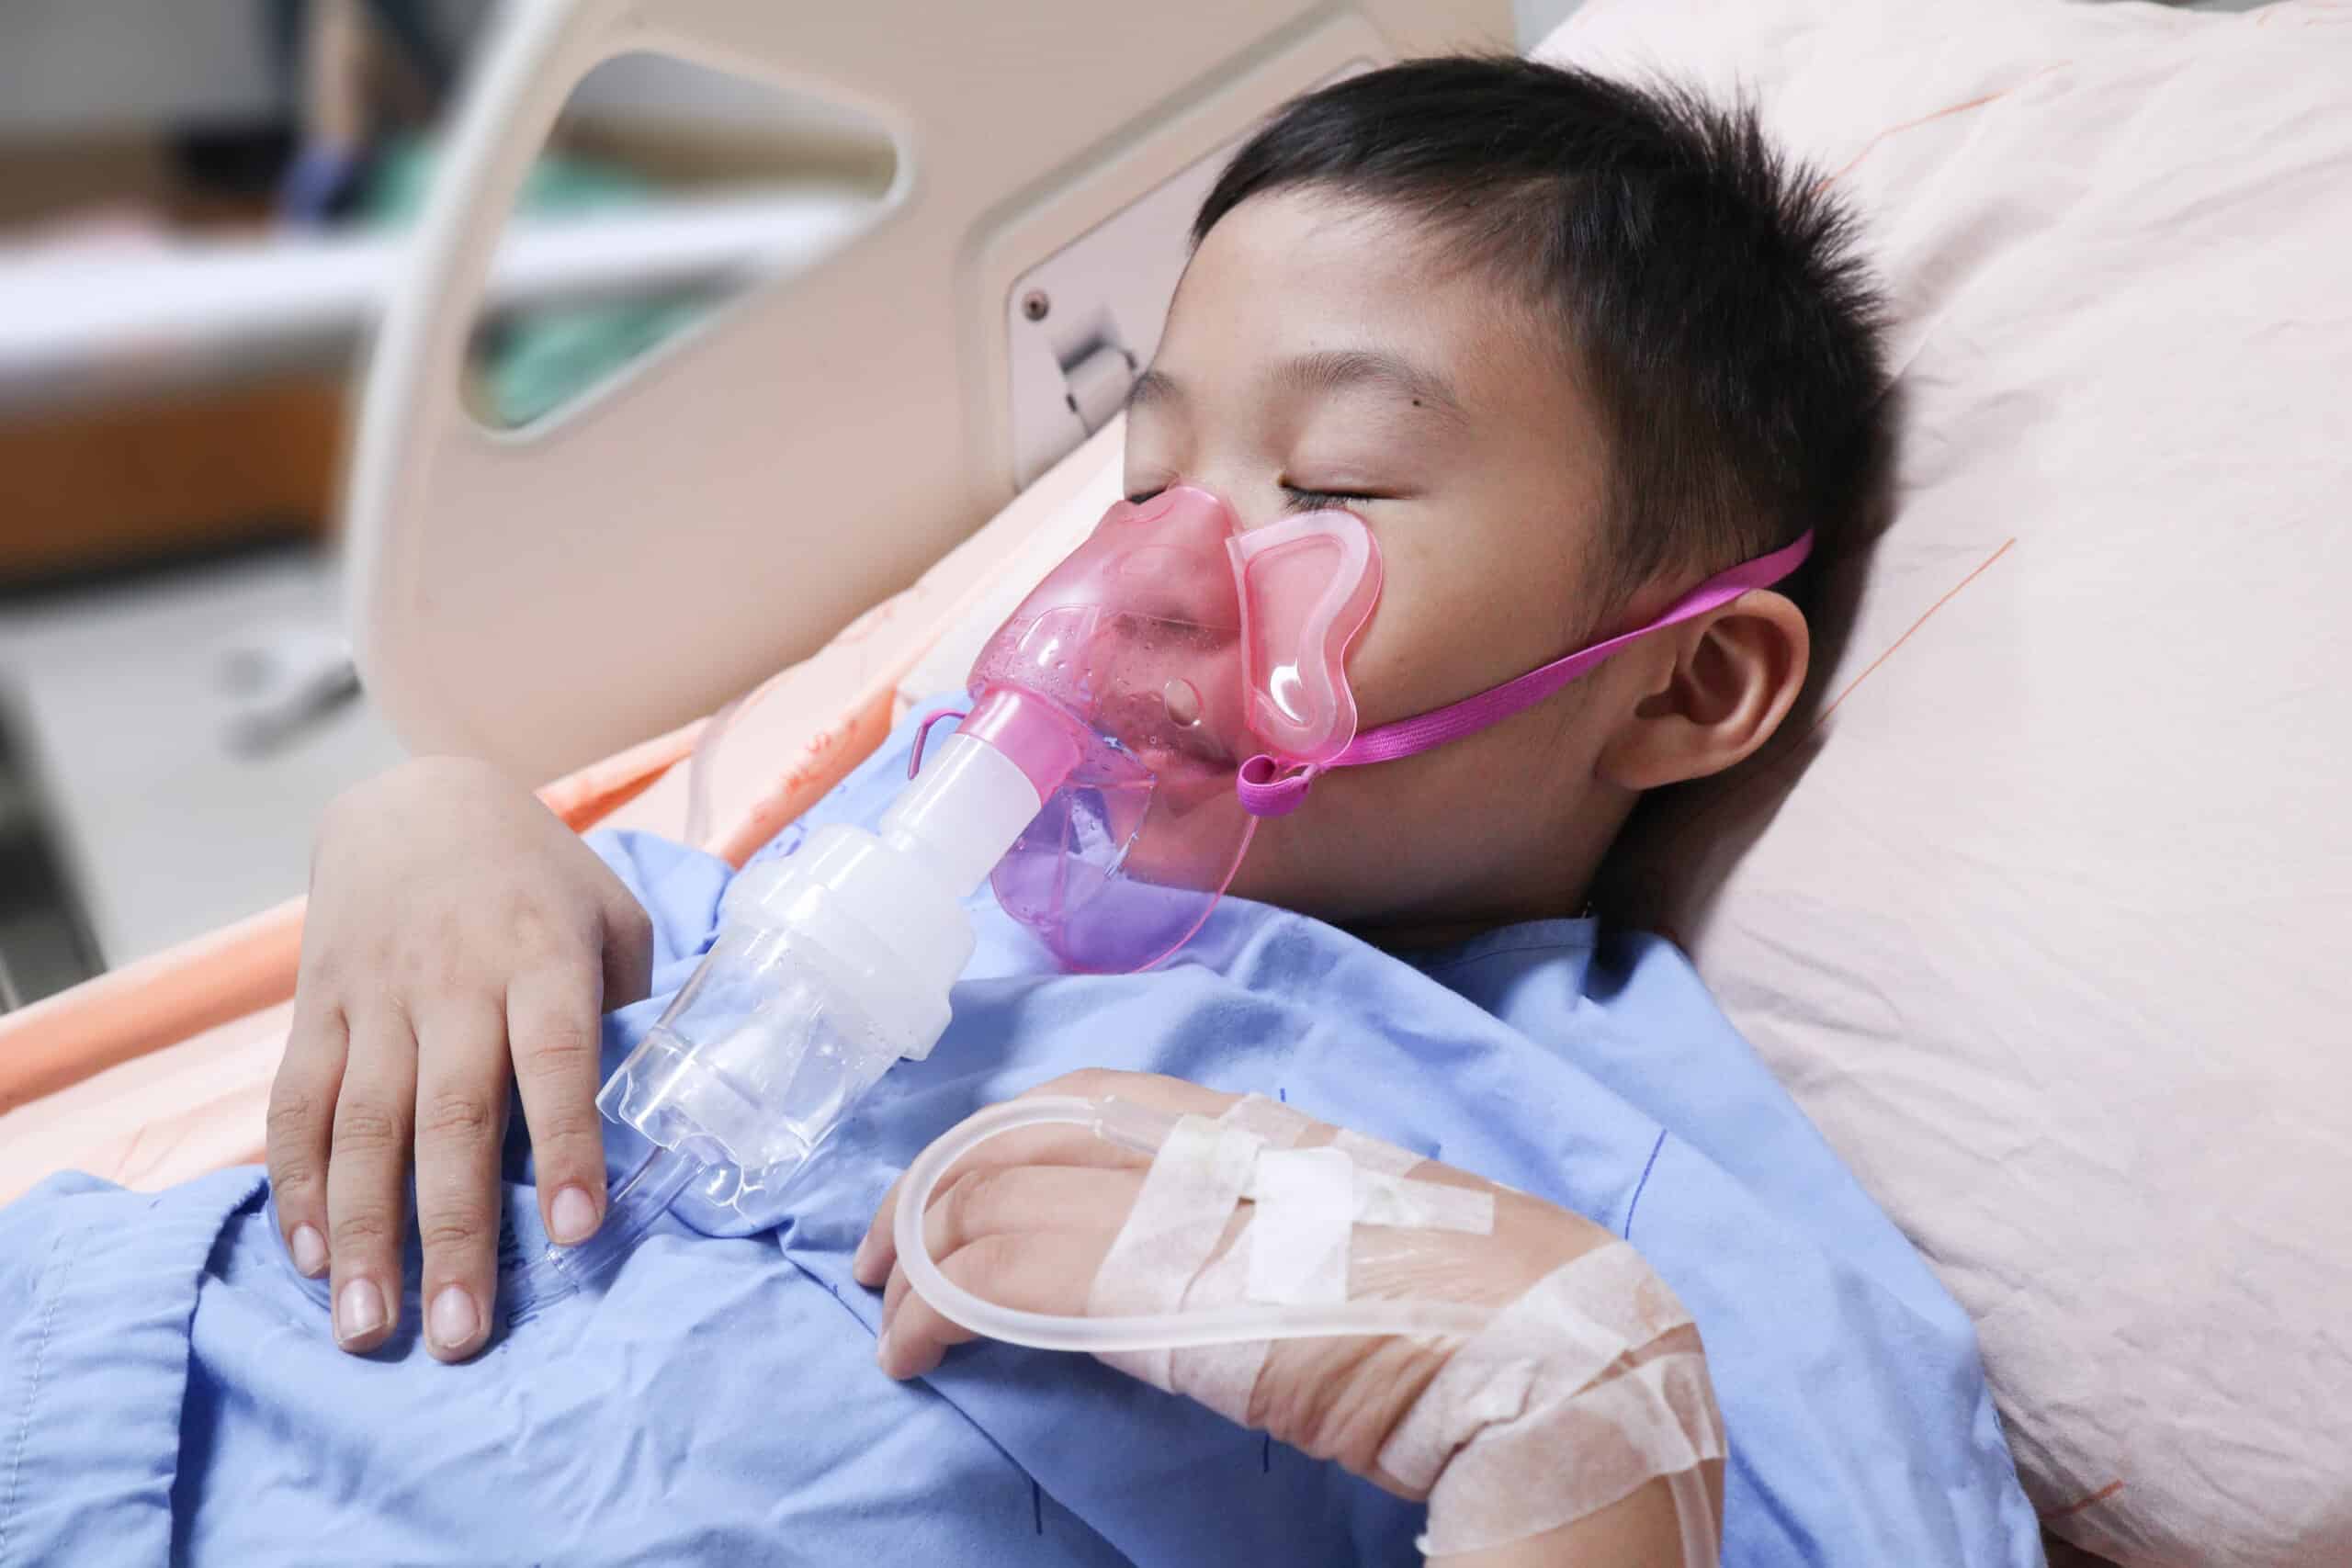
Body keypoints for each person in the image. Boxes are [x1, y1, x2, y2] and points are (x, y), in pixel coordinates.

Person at [0, 60, 2039, 1565]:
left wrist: (1552, 1374)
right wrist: (440, 833)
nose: (1153, 571)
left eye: (1329, 486)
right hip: (111, 1380)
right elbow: (595, 964)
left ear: (1684, 681)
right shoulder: (929, 822)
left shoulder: (1625, 1191)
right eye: (1147, 472)